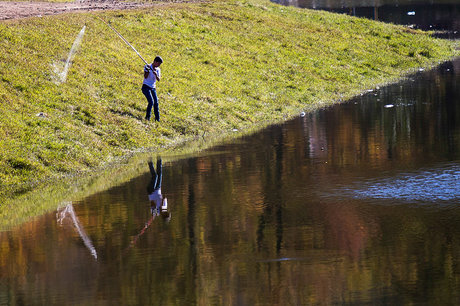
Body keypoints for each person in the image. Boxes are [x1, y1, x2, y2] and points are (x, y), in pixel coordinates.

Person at [142, 56, 163, 121]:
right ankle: (147, 117)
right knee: (151, 102)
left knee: (156, 103)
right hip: (146, 87)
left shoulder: (158, 69)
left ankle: (157, 119)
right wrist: (148, 70)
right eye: (158, 63)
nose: (159, 65)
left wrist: (156, 74)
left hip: (153, 88)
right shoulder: (147, 66)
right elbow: (145, 77)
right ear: (155, 62)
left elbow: (158, 79)